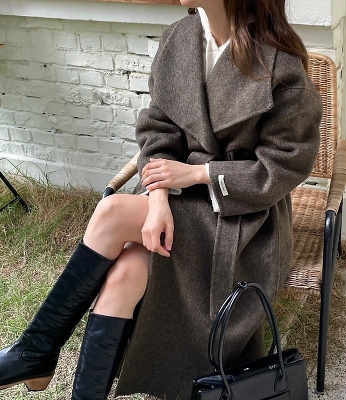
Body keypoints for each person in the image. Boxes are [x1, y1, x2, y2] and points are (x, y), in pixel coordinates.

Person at [0, 1, 322, 399]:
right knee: (124, 276)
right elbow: (157, 130)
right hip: (173, 197)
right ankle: (41, 357)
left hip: (243, 218)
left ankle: (36, 351)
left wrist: (199, 174)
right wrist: (157, 200)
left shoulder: (280, 64)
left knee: (113, 211)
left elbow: (284, 166)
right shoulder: (180, 38)